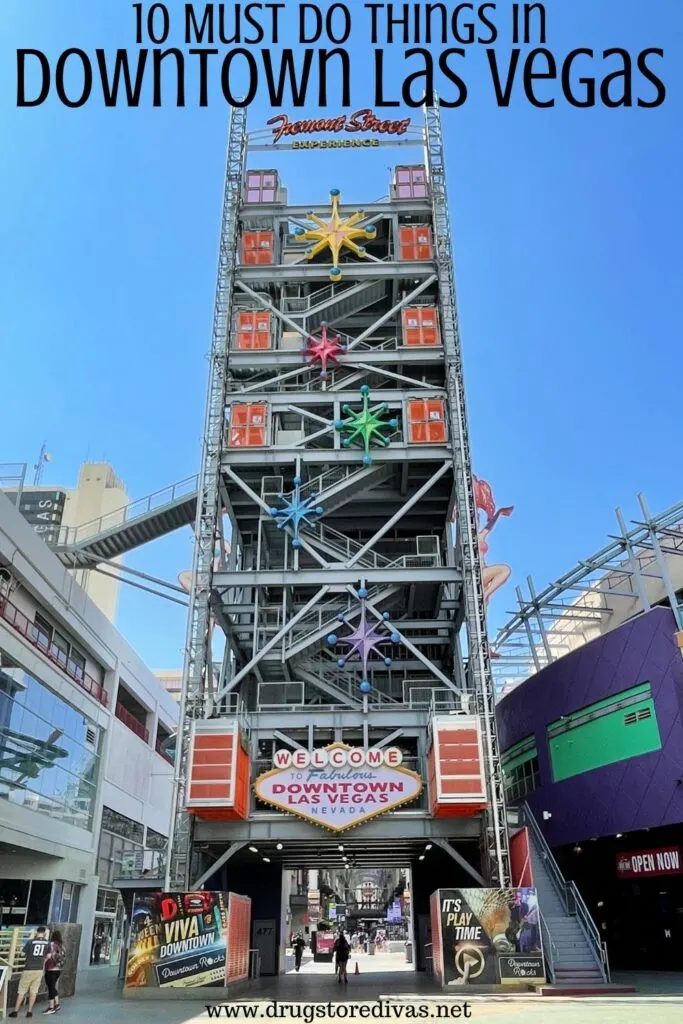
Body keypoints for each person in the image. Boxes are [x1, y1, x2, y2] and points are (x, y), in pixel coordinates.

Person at [9, 926, 50, 1018]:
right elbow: (49, 956)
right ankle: (30, 1011)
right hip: (39, 969)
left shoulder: (30, 942)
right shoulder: (47, 943)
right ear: (44, 933)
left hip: (28, 968)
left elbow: (22, 953)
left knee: (22, 991)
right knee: (34, 992)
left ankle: (15, 1011)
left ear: (36, 932)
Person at [43, 930, 65, 1015]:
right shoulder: (61, 946)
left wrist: (42, 967)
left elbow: (48, 956)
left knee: (51, 988)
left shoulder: (51, 944)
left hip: (50, 969)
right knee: (52, 987)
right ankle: (57, 1004)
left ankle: (51, 1007)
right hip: (58, 970)